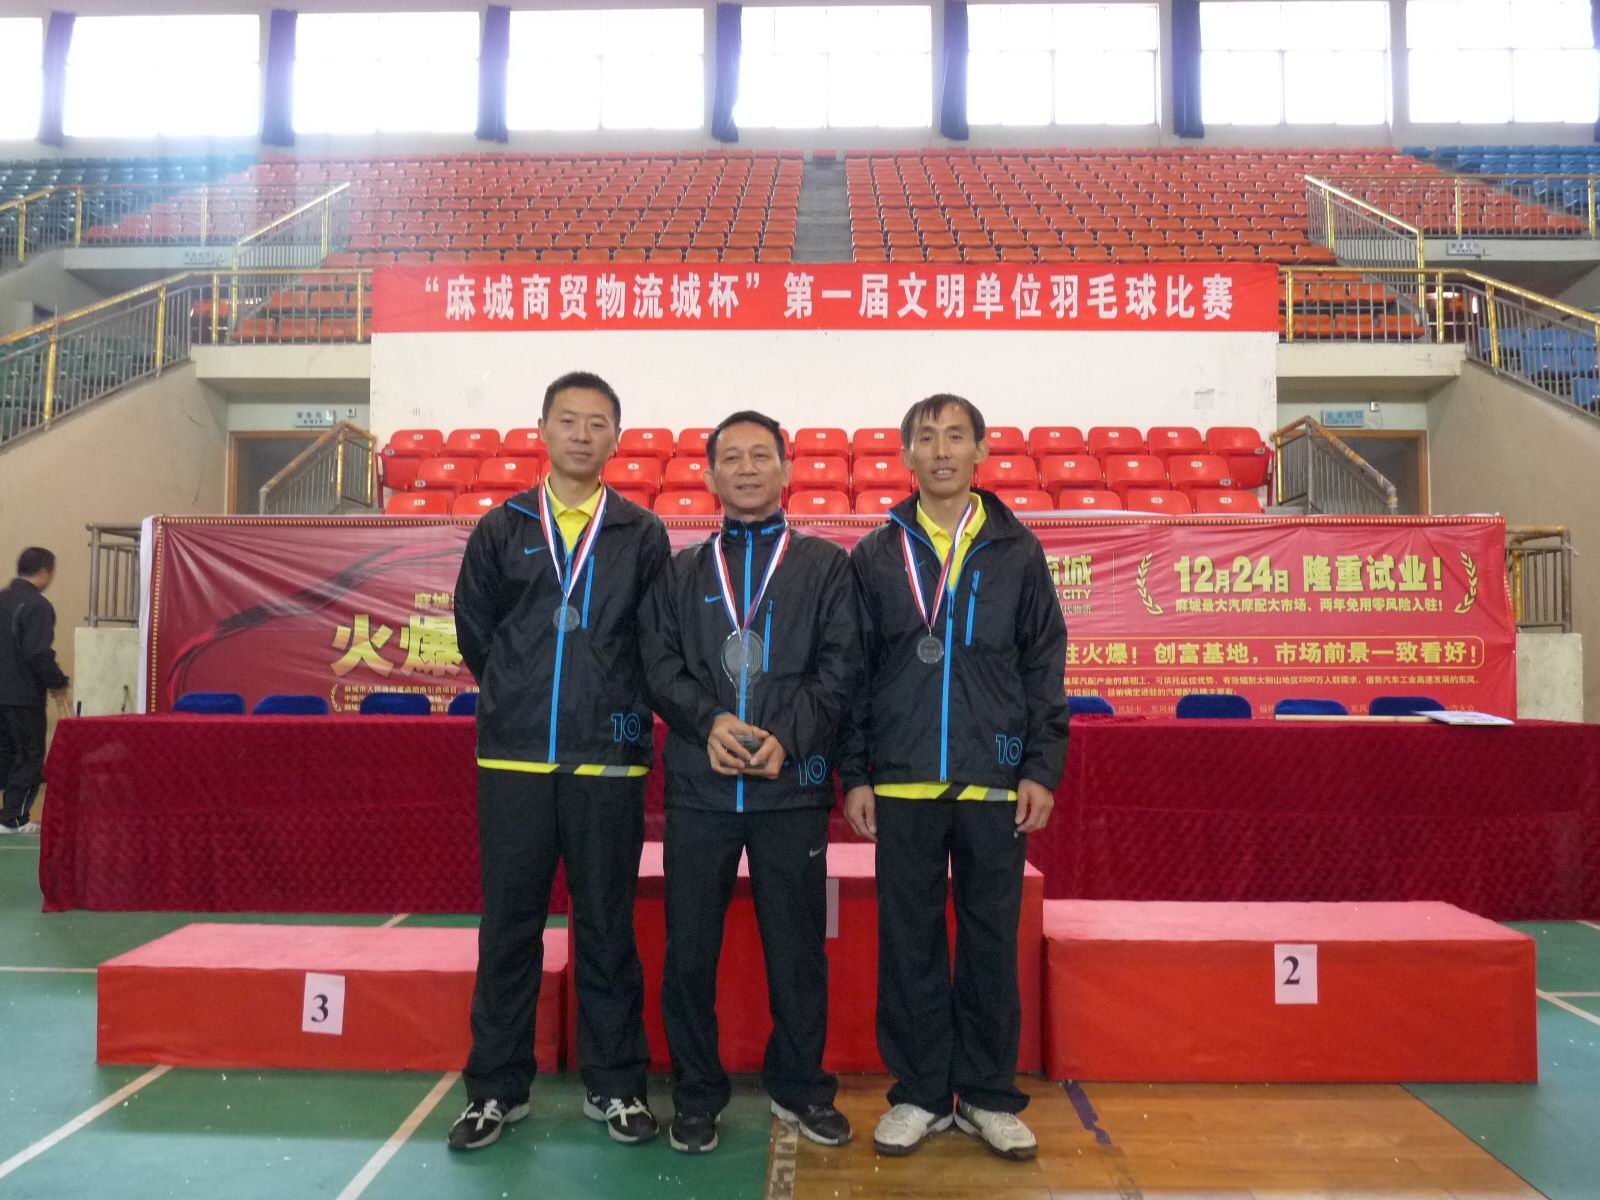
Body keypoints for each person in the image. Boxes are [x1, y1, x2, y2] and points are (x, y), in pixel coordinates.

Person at [840, 395, 1069, 1162]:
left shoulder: (1017, 551)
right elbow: (853, 673)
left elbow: (1043, 666)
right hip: (902, 780)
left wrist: (1040, 767)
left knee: (990, 943)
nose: (940, 450)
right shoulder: (876, 555)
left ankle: (989, 1096)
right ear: (906, 456)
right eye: (926, 438)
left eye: (955, 437)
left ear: (981, 451)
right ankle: (919, 1094)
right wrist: (856, 773)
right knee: (908, 942)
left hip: (992, 777)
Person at [449, 371, 671, 1152]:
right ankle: (495, 1089)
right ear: (542, 430)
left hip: (607, 761)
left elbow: (656, 643)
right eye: (568, 420)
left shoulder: (642, 534)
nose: (582, 434)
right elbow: (476, 633)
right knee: (508, 928)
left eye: (597, 422)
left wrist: (596, 704)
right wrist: (522, 696)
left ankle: (616, 1085)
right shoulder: (501, 528)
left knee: (607, 927)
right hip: (514, 762)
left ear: (617, 438)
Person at [640, 410, 860, 1155]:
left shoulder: (825, 567)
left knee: (798, 952)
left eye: (760, 456)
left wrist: (785, 739)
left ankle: (801, 1088)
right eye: (730, 457)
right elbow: (658, 665)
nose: (745, 469)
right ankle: (697, 1095)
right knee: (689, 953)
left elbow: (841, 668)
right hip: (700, 790)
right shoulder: (679, 572)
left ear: (787, 470)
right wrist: (708, 721)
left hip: (790, 790)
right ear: (708, 475)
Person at [0, 547, 71, 835]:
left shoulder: (2, 599)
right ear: (45, 571)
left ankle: (8, 813)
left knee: (5, 754)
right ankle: (13, 818)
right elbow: (37, 652)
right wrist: (58, 682)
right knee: (29, 755)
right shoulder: (38, 605)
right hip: (22, 695)